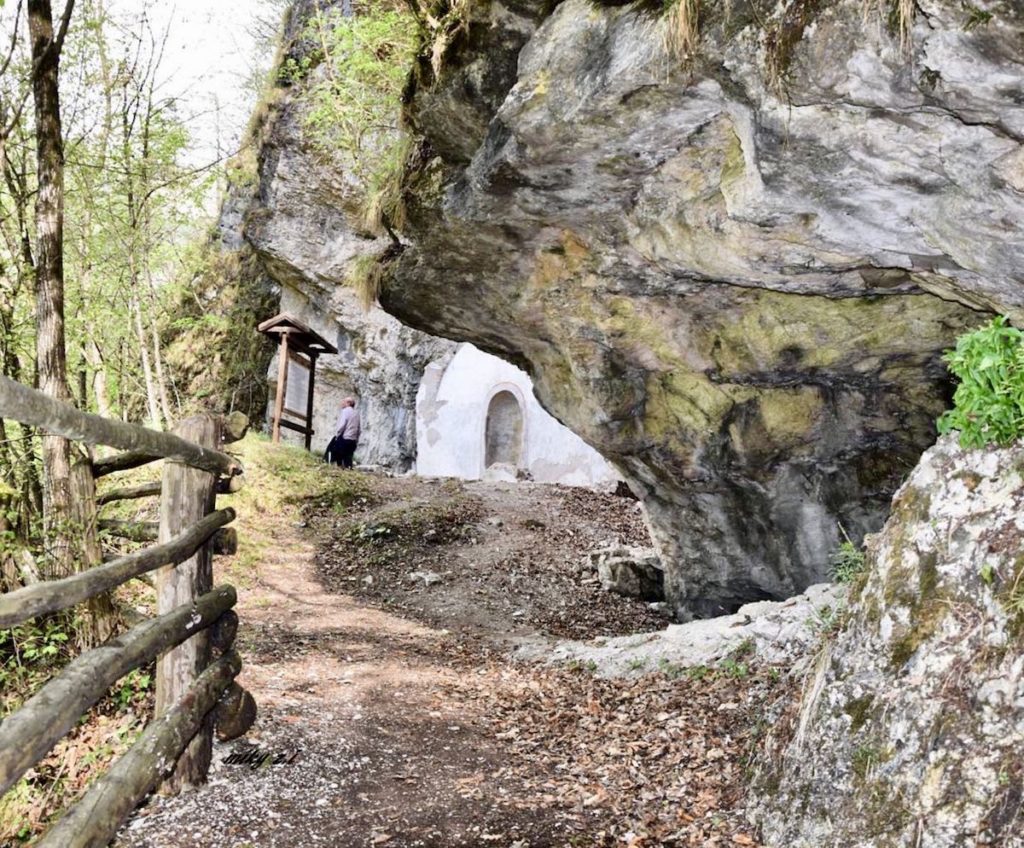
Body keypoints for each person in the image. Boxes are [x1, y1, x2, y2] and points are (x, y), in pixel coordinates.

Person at [329, 396, 360, 469]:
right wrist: (356, 440)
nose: (342, 403)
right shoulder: (356, 413)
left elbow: (342, 425)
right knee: (348, 458)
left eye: (344, 401)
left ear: (348, 403)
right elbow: (359, 429)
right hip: (353, 440)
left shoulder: (345, 411)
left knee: (333, 450)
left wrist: (337, 435)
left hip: (345, 438)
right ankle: (348, 469)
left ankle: (336, 467)